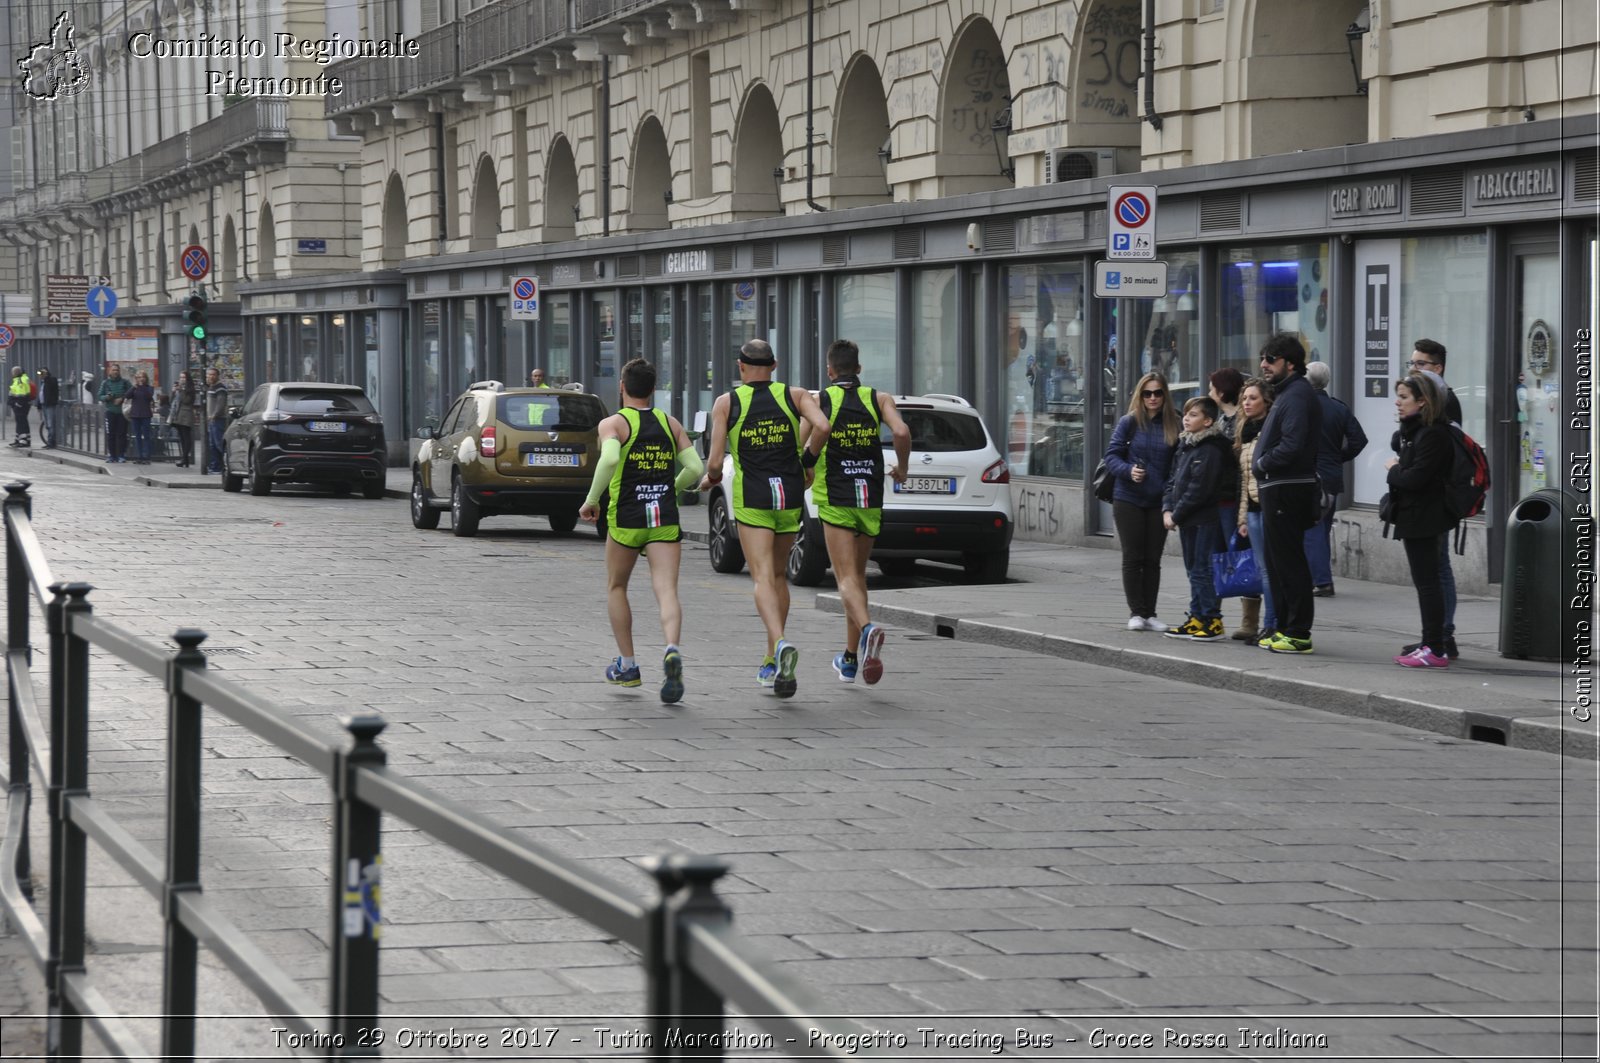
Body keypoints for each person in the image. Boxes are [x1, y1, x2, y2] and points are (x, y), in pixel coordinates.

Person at [699, 339, 830, 698]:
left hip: (754, 497)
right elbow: (823, 426)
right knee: (777, 575)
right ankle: (772, 655)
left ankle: (782, 643)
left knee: (759, 577)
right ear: (774, 365)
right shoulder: (796, 395)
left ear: (740, 368)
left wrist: (710, 479)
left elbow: (714, 464)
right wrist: (807, 462)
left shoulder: (727, 403)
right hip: (788, 494)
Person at [579, 358, 704, 704]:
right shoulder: (670, 423)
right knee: (667, 591)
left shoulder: (613, 424)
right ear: (653, 389)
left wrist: (592, 500)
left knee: (617, 586)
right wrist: (671, 488)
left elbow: (609, 461)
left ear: (622, 386)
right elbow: (695, 467)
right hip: (663, 517)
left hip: (627, 519)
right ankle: (671, 649)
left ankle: (629, 666)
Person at [805, 339, 910, 685]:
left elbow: (804, 444)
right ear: (859, 370)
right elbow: (901, 430)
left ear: (830, 371)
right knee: (858, 579)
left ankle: (867, 629)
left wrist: (804, 470)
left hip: (836, 496)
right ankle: (850, 659)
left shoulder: (820, 400)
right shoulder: (878, 398)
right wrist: (903, 468)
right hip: (870, 496)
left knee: (844, 578)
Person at [1252, 333, 1323, 654]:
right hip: (1277, 489)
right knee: (1277, 561)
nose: (1264, 365)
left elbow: (1293, 445)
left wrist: (1263, 463)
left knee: (1289, 562)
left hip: (1287, 490)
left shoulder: (1296, 395)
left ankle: (1297, 632)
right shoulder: (1287, 393)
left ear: (1290, 364)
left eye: (1271, 359)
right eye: (1263, 358)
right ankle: (1282, 626)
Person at [1385, 371, 1455, 668]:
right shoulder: (1415, 432)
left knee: (1429, 584)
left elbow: (1415, 478)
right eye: (1398, 397)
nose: (1398, 403)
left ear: (1423, 402)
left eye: (1404, 398)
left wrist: (1393, 469)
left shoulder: (1433, 435)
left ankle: (1435, 648)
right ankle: (1430, 643)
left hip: (1425, 516)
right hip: (1416, 515)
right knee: (1425, 583)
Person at [1104, 372, 1179, 632]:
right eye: (1147, 393)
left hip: (1159, 500)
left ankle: (1150, 613)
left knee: (1152, 558)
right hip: (1128, 497)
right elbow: (1111, 456)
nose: (1153, 398)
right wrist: (1128, 471)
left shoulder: (1174, 424)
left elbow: (1177, 465)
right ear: (1140, 395)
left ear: (1165, 395)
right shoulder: (1130, 422)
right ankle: (1136, 612)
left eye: (1158, 393)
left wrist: (1170, 499)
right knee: (1133, 556)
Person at [1402, 339, 1460, 658]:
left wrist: (1400, 469)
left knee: (1438, 571)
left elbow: (1435, 456)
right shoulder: (1432, 399)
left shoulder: (1443, 402)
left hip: (1435, 501)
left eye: (1421, 363)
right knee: (1437, 569)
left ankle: (1441, 636)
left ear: (1437, 368)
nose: (1414, 368)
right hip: (1430, 500)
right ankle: (1436, 635)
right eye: (1411, 362)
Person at [1161, 396, 1233, 641]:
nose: (1186, 419)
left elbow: (1199, 489)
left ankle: (1212, 620)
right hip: (1187, 518)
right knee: (1193, 569)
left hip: (1203, 518)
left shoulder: (1211, 449)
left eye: (1193, 415)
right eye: (1186, 414)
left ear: (1208, 421)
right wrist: (1167, 509)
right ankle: (1196, 617)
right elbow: (1173, 480)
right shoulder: (1187, 445)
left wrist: (1176, 514)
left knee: (1202, 570)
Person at [1303, 360, 1368, 598]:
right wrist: (1339, 457)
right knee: (1321, 528)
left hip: (1310, 476)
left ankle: (1321, 580)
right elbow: (1359, 440)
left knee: (1312, 530)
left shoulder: (1303, 407)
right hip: (1331, 475)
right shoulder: (1338, 408)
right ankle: (1317, 577)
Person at [1234, 378, 1277, 643]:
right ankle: (1266, 623)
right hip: (1252, 509)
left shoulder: (1271, 429)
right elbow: (1244, 479)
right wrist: (1242, 517)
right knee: (1263, 570)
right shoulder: (1245, 429)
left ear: (1266, 401)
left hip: (1271, 506)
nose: (1247, 403)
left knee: (1270, 570)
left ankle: (1272, 623)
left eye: (1253, 398)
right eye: (1245, 398)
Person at [1208, 367, 1246, 633]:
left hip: (1234, 499)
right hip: (1218, 498)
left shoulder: (1240, 422)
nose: (1209, 392)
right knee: (1216, 557)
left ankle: (1249, 620)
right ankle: (1212, 614)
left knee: (1242, 557)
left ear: (1221, 392)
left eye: (1212, 388)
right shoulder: (1220, 420)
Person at [97, 364, 133, 462]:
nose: (115, 372)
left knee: (122, 434)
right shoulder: (105, 383)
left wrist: (122, 398)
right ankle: (112, 455)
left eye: (117, 370)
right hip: (110, 412)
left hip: (122, 412)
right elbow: (99, 395)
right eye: (113, 370)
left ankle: (121, 455)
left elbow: (132, 392)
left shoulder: (125, 382)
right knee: (111, 434)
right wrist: (107, 397)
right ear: (110, 371)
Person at [126, 370, 157, 465]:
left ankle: (146, 457)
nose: (141, 379)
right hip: (135, 415)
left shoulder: (149, 388)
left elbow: (149, 396)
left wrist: (142, 386)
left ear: (145, 378)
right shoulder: (134, 388)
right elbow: (127, 396)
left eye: (142, 377)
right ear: (136, 379)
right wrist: (134, 387)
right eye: (138, 377)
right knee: (137, 436)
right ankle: (139, 456)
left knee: (146, 436)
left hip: (145, 415)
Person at [168, 371, 198, 468]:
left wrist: (181, 390)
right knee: (181, 437)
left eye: (184, 377)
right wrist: (173, 391)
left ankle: (185, 458)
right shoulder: (179, 388)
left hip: (186, 415)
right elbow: (171, 400)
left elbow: (186, 400)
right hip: (177, 414)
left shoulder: (189, 388)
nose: (181, 379)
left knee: (186, 437)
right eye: (180, 377)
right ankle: (184, 459)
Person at [203, 367, 229, 474]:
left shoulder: (220, 388)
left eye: (213, 375)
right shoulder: (211, 388)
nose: (210, 377)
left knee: (218, 444)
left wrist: (214, 415)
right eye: (208, 375)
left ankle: (224, 466)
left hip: (218, 420)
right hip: (212, 421)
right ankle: (215, 467)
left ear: (217, 376)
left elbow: (221, 404)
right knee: (212, 444)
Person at [7, 367, 33, 447]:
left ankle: (23, 441)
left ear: (16, 373)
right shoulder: (21, 379)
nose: (12, 374)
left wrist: (17, 404)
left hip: (21, 405)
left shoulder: (20, 380)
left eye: (13, 372)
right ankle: (21, 439)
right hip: (22, 405)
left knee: (21, 422)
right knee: (21, 422)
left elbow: (21, 394)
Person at [34, 368, 59, 448]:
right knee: (47, 425)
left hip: (50, 405)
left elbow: (52, 388)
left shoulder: (51, 380)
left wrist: (46, 377)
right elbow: (41, 394)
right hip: (44, 404)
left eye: (42, 374)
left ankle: (51, 443)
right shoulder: (43, 382)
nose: (40, 376)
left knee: (51, 424)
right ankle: (49, 442)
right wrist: (38, 405)